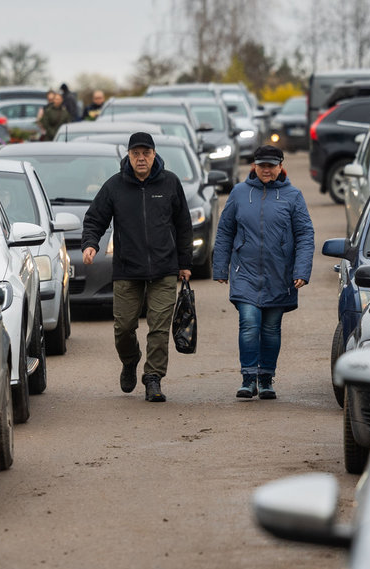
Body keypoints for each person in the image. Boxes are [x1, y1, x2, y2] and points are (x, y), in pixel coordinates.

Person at [81, 132, 192, 402]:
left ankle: (153, 377)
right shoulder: (114, 186)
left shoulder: (170, 183)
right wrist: (90, 244)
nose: (141, 158)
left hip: (164, 268)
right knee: (123, 327)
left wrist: (185, 263)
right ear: (128, 156)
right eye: (135, 154)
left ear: (154, 154)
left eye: (146, 153)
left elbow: (183, 224)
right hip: (127, 269)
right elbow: (95, 219)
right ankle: (130, 360)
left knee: (159, 328)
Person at [212, 144, 314, 400]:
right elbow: (225, 231)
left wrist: (301, 269)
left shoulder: (293, 196)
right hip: (245, 273)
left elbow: (305, 234)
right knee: (249, 323)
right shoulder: (239, 193)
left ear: (281, 167)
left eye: (271, 165)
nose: (266, 170)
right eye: (262, 166)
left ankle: (266, 378)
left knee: (270, 329)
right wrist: (220, 266)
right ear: (253, 167)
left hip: (280, 274)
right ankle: (248, 378)